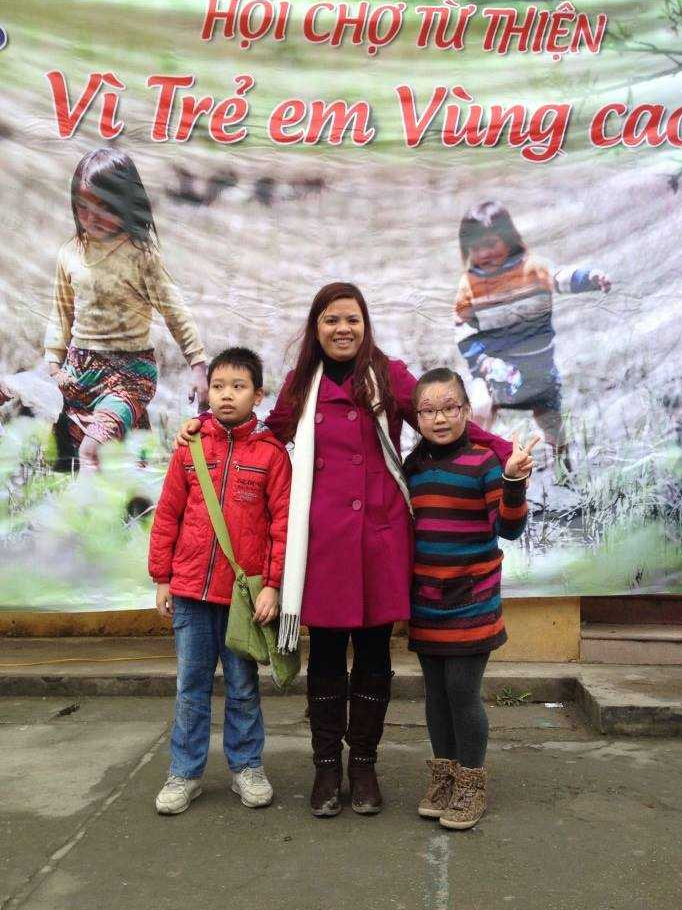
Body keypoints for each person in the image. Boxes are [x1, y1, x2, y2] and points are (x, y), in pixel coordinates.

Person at [175, 282, 512, 818]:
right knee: (328, 658)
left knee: (375, 658)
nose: (342, 329)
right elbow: (263, 433)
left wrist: (504, 453)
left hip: (380, 538)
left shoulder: (388, 374)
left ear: (365, 324)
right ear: (317, 327)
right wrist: (206, 429)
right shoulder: (301, 381)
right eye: (331, 319)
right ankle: (327, 768)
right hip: (324, 542)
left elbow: (440, 420)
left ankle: (365, 768)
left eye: (352, 319)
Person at [149, 347, 291, 815]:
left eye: (238, 386)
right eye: (218, 386)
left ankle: (246, 767)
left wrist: (272, 585)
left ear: (258, 395)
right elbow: (168, 514)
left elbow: (282, 525)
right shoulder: (190, 446)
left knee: (243, 687)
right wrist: (162, 578)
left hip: (242, 597)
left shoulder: (271, 454)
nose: (226, 395)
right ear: (207, 392)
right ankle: (184, 773)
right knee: (190, 688)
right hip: (190, 591)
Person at [403, 368, 535, 830]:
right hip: (426, 604)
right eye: (429, 411)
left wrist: (513, 481)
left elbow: (510, 528)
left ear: (465, 411)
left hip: (472, 605)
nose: (440, 418)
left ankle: (471, 782)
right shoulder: (413, 467)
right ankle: (443, 775)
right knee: (436, 695)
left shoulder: (484, 463)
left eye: (449, 408)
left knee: (462, 692)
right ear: (417, 417)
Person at [43, 148, 208, 472]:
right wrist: (52, 362)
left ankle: (91, 506)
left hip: (130, 373)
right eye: (83, 206)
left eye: (105, 207)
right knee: (91, 459)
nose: (91, 217)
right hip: (80, 370)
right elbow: (61, 312)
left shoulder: (140, 256)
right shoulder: (70, 254)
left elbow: (174, 311)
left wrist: (198, 364)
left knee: (92, 450)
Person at [454, 200, 611, 467]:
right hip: (495, 369)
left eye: (491, 244)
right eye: (476, 247)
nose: (484, 253)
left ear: (508, 238)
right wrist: (481, 362)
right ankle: (474, 465)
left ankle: (562, 468)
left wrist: (590, 278)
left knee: (552, 424)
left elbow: (561, 277)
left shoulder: (533, 268)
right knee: (479, 407)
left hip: (537, 370)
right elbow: (464, 329)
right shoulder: (470, 284)